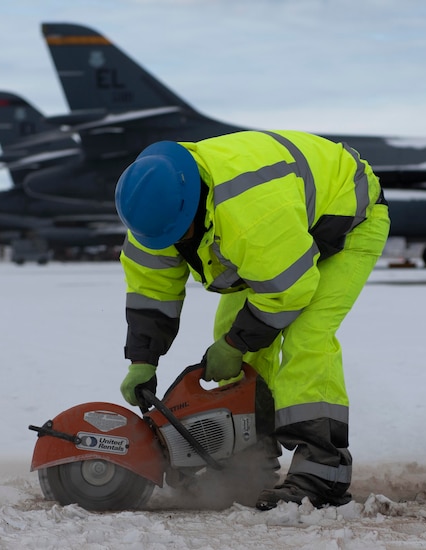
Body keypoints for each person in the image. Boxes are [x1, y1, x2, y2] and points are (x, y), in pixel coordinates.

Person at [114, 130, 390, 510]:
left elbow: (288, 290)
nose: (173, 243)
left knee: (306, 338)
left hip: (345, 218)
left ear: (192, 206)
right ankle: (248, 461)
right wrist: (143, 360)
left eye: (178, 235)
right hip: (275, 237)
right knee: (235, 343)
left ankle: (322, 473)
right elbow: (151, 290)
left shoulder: (250, 213)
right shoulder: (153, 212)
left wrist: (234, 345)